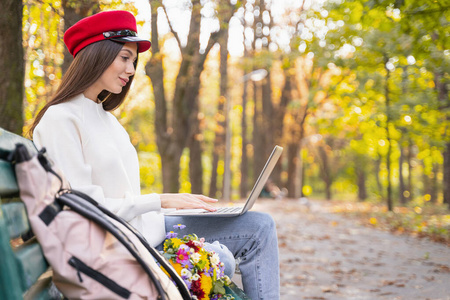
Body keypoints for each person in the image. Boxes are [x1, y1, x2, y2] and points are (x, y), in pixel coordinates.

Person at [31, 10, 280, 300]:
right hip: (118, 249)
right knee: (219, 258)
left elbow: (122, 195)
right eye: (124, 57)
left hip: (145, 232)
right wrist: (159, 200)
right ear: (95, 54)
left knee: (259, 226)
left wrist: (175, 206)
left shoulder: (107, 119)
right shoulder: (60, 119)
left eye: (133, 61)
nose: (131, 69)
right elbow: (83, 209)